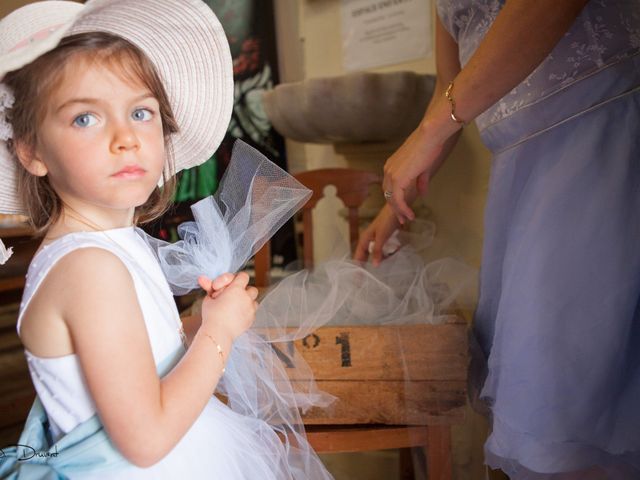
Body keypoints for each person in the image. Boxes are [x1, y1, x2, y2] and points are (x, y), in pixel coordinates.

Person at [0, 1, 331, 478]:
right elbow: (146, 439)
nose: (125, 138)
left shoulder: (110, 244)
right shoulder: (88, 268)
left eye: (140, 112)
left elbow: (140, 360)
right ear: (31, 150)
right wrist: (219, 333)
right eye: (85, 119)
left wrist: (197, 328)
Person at [355, 0, 639, 478]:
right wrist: (392, 208)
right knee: (554, 381)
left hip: (599, 139)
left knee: (584, 380)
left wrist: (429, 133)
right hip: (523, 181)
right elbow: (450, 87)